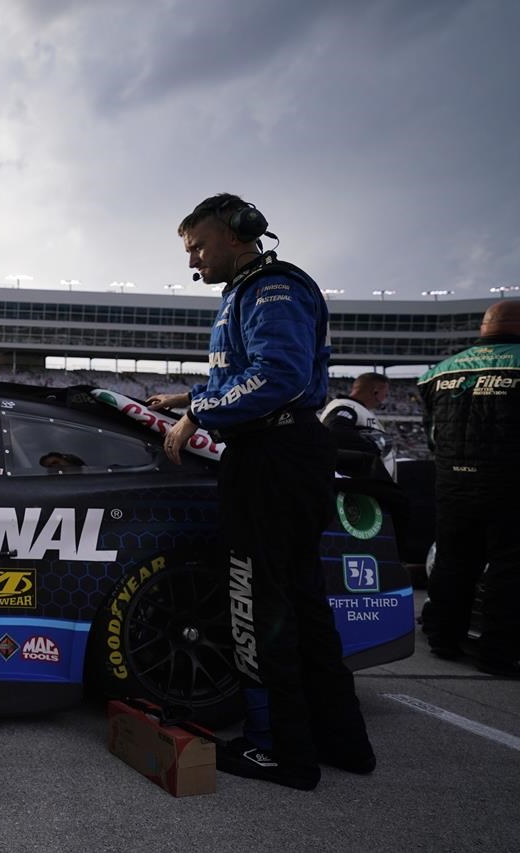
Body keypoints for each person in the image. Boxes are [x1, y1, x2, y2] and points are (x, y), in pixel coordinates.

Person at [147, 193, 374, 791]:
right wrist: (187, 396)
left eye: (198, 246)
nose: (192, 261)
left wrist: (197, 411)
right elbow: (245, 372)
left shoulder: (271, 288)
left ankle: (278, 751)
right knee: (301, 604)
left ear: (238, 233)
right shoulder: (248, 292)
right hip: (284, 454)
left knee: (257, 605)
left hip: (273, 456)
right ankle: (341, 742)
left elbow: (278, 376)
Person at [417, 300, 520, 677]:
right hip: (509, 484)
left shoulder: (439, 371)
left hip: (453, 480)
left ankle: (443, 638)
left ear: (484, 327)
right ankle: (498, 654)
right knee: (510, 568)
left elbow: (432, 434)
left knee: (453, 559)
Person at [319, 372, 395, 479]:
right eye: (385, 394)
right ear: (376, 392)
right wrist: (373, 446)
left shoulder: (356, 409)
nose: (385, 398)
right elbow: (334, 433)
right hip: (356, 484)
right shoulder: (346, 407)